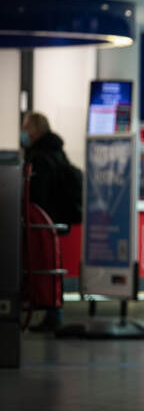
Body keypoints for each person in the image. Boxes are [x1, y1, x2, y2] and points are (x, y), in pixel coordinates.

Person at [22, 112, 81, 331]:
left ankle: (50, 312)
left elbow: (38, 192)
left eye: (26, 128)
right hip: (56, 219)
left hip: (42, 220)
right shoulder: (58, 152)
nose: (24, 133)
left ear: (35, 130)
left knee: (42, 265)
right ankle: (52, 312)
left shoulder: (38, 156)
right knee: (51, 265)